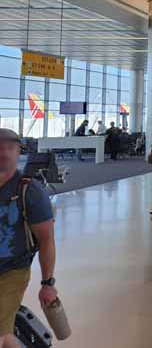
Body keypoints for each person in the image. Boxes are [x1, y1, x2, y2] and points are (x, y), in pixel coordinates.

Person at [0, 129, 58, 347]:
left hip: (12, 271)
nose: (4, 152)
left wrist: (47, 283)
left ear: (18, 152)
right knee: (5, 333)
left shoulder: (30, 190)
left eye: (10, 148)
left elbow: (46, 240)